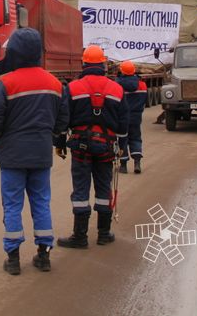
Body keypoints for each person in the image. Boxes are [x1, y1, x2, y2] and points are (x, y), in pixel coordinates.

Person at [0, 28, 68, 275]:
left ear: (16, 52)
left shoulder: (6, 83)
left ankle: (13, 259)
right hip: (41, 155)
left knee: (12, 205)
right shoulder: (54, 83)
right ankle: (44, 255)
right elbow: (62, 120)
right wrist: (50, 136)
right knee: (41, 202)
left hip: (12, 156)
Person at [56, 45, 128, 249]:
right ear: (104, 64)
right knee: (103, 187)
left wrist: (59, 143)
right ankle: (104, 234)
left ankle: (80, 236)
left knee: (80, 189)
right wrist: (121, 146)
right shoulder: (117, 89)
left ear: (84, 63)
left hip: (80, 146)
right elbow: (124, 124)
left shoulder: (73, 88)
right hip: (106, 147)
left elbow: (63, 120)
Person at [116, 61, 147, 175]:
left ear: (121, 71)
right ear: (134, 71)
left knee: (122, 139)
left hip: (122, 117)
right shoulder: (142, 85)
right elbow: (144, 101)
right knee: (136, 138)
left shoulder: (117, 85)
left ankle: (123, 166)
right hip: (136, 116)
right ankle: (137, 163)